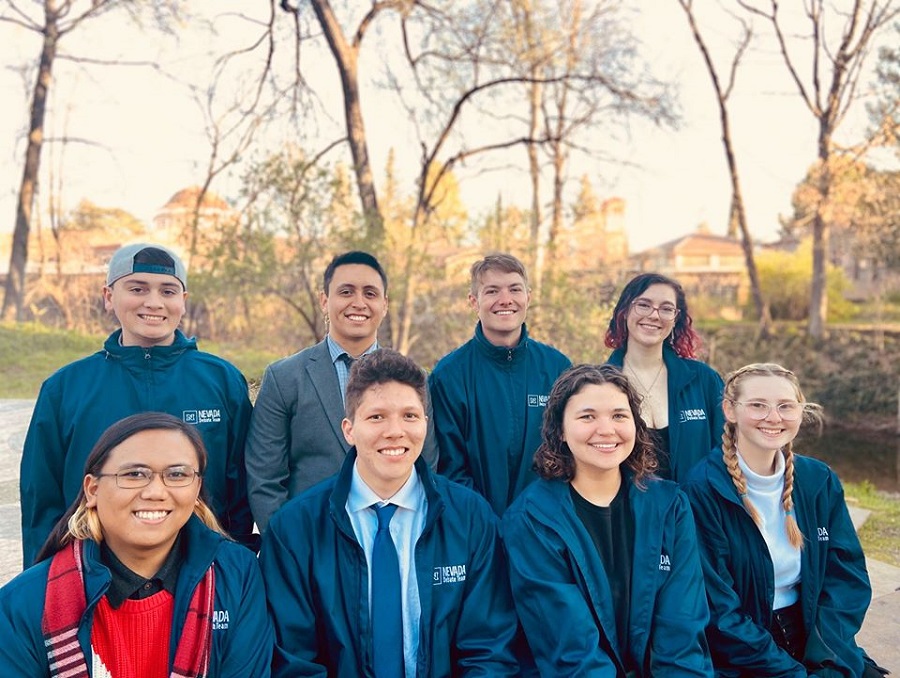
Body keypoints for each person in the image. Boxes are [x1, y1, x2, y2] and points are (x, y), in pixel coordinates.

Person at [259, 349, 519, 677]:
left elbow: (489, 649)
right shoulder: (295, 530)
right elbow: (293, 660)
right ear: (349, 429)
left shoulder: (471, 519)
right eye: (376, 417)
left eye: (409, 416)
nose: (395, 431)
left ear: (425, 424)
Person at [20, 242, 254, 566]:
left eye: (168, 291)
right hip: (94, 571)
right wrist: (44, 581)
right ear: (108, 296)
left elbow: (241, 489)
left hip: (200, 570)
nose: (154, 302)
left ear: (183, 302)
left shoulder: (223, 381)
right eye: (138, 288)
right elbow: (41, 501)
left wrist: (233, 566)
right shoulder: (64, 389)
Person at [0, 412, 273, 676]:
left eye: (177, 474)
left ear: (197, 488)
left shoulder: (237, 575)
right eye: (134, 474)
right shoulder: (24, 603)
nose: (155, 492)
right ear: (92, 490)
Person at [502, 364, 713, 676]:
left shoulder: (670, 506)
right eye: (587, 416)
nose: (606, 429)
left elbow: (682, 630)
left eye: (618, 415)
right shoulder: (531, 520)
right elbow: (570, 649)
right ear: (560, 428)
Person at [683, 363, 887, 677]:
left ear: (800, 411)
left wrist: (829, 660)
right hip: (742, 650)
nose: (773, 417)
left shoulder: (818, 480)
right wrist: (790, 672)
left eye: (785, 406)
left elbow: (846, 578)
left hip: (813, 638)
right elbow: (718, 610)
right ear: (729, 410)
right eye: (758, 405)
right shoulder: (702, 490)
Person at [245, 250, 439, 532]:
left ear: (384, 304)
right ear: (325, 301)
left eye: (370, 294)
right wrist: (288, 546)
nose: (358, 303)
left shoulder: (413, 379)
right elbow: (264, 478)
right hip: (310, 539)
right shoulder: (284, 378)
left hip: (393, 534)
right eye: (346, 292)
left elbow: (427, 463)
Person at [429, 253, 571, 515]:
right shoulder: (448, 376)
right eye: (492, 291)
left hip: (546, 527)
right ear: (474, 301)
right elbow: (450, 468)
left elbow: (570, 454)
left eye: (514, 289)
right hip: (479, 531)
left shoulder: (558, 368)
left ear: (528, 296)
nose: (505, 300)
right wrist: (486, 524)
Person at [604, 272, 724, 481]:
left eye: (666, 309)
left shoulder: (704, 380)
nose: (654, 315)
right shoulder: (599, 384)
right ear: (624, 311)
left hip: (696, 510)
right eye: (644, 305)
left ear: (676, 319)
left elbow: (726, 452)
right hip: (627, 512)